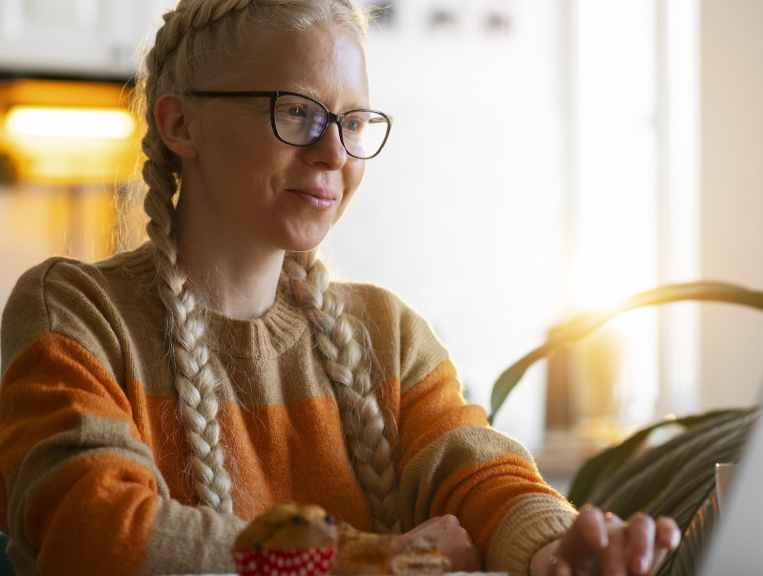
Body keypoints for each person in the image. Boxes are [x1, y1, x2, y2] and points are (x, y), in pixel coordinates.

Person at [0, 1, 680, 574]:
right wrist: (370, 560)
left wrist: (557, 547)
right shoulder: (74, 313)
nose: (333, 153)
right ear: (181, 125)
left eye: (353, 122)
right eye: (297, 112)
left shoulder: (388, 333)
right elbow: (93, 528)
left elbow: (482, 476)